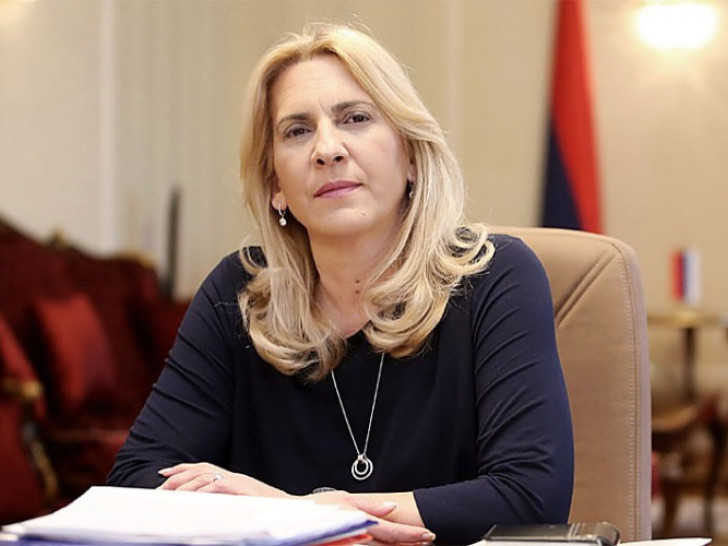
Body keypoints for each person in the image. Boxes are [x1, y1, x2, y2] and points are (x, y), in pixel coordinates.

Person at [108, 23, 574, 545]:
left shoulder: (496, 277)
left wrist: (300, 514)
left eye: (356, 118)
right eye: (297, 131)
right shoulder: (237, 294)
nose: (327, 149)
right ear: (275, 184)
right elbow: (136, 483)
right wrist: (327, 518)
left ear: (411, 154)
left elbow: (533, 496)